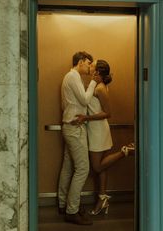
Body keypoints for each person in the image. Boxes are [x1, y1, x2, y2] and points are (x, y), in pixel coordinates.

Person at [75, 59, 135, 215]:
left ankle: (125, 151)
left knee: (97, 167)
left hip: (98, 131)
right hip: (95, 130)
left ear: (98, 72)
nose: (90, 66)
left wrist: (85, 118)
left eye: (93, 65)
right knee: (102, 167)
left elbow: (108, 113)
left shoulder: (100, 88)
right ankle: (102, 199)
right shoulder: (96, 86)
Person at [58, 51, 101, 225]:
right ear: (81, 61)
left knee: (68, 166)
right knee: (83, 168)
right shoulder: (73, 76)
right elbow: (84, 101)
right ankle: (72, 210)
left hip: (70, 126)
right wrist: (93, 82)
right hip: (74, 128)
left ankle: (63, 203)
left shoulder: (70, 77)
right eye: (88, 63)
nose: (90, 67)